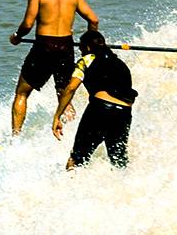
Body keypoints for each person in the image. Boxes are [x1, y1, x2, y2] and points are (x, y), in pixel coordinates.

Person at [8, 0, 99, 135]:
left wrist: (17, 36)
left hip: (44, 46)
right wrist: (90, 46)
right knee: (64, 95)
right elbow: (93, 20)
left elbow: (27, 24)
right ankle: (71, 136)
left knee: (22, 93)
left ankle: (15, 139)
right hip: (66, 48)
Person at [52, 30, 137, 169]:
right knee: (119, 162)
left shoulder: (86, 60)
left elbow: (71, 89)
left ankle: (68, 186)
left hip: (100, 110)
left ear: (87, 48)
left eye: (81, 49)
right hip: (124, 113)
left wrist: (57, 116)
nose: (80, 52)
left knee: (76, 159)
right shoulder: (121, 64)